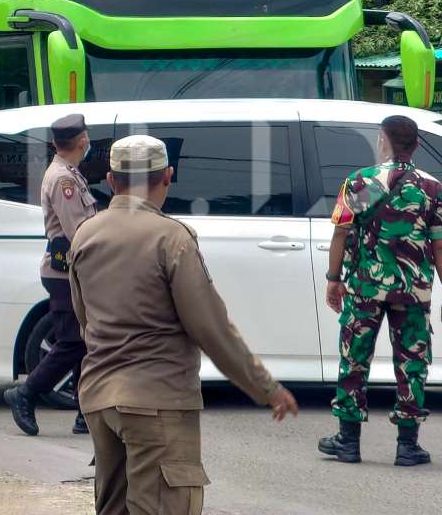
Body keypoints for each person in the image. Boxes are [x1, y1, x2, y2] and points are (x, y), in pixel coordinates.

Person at [69, 135, 297, 514]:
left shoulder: (86, 234)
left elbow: (84, 319)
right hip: (157, 401)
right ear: (168, 177)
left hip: (99, 399)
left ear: (110, 180)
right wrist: (266, 388)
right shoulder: (172, 238)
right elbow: (211, 329)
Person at [319, 115, 437, 467]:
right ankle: (407, 446)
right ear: (415, 145)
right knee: (412, 363)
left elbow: (340, 233)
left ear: (382, 141)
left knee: (355, 358)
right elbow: (440, 246)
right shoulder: (431, 188)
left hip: (365, 289)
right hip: (413, 293)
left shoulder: (362, 182)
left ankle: (348, 441)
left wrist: (333, 277)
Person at [5, 113, 95, 436]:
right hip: (65, 272)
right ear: (82, 140)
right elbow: (79, 230)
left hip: (70, 269)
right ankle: (25, 394)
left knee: (81, 341)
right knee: (72, 341)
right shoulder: (64, 180)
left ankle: (85, 413)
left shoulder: (68, 173)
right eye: (87, 136)